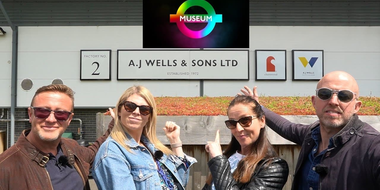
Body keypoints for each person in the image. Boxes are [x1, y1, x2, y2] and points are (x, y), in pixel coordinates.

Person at [240, 70, 380, 190]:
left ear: (357, 106)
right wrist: (258, 107)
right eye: (325, 94)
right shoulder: (311, 135)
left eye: (344, 96)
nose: (333, 101)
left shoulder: (372, 147)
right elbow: (286, 127)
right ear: (314, 101)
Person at [0, 84, 114, 190]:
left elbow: (96, 151)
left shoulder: (71, 148)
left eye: (61, 114)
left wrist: (118, 121)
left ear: (69, 119)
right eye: (42, 111)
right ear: (30, 114)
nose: (51, 119)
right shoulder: (5, 167)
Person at [92, 85, 197, 190]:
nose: (136, 112)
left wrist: (175, 143)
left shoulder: (152, 148)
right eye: (130, 106)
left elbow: (180, 183)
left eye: (144, 110)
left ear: (149, 116)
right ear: (119, 111)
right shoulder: (112, 152)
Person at [202, 95, 289, 190]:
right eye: (232, 123)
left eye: (245, 121)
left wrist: (218, 160)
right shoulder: (227, 158)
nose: (238, 129)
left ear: (262, 121)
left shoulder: (273, 167)